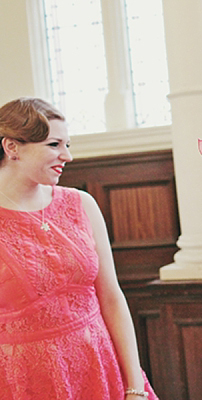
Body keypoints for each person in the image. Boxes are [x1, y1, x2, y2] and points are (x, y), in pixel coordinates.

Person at [0, 98, 158, 400]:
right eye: (54, 145)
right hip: (23, 382)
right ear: (12, 148)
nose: (67, 156)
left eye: (67, 144)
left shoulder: (80, 203)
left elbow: (111, 297)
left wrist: (134, 385)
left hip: (97, 368)